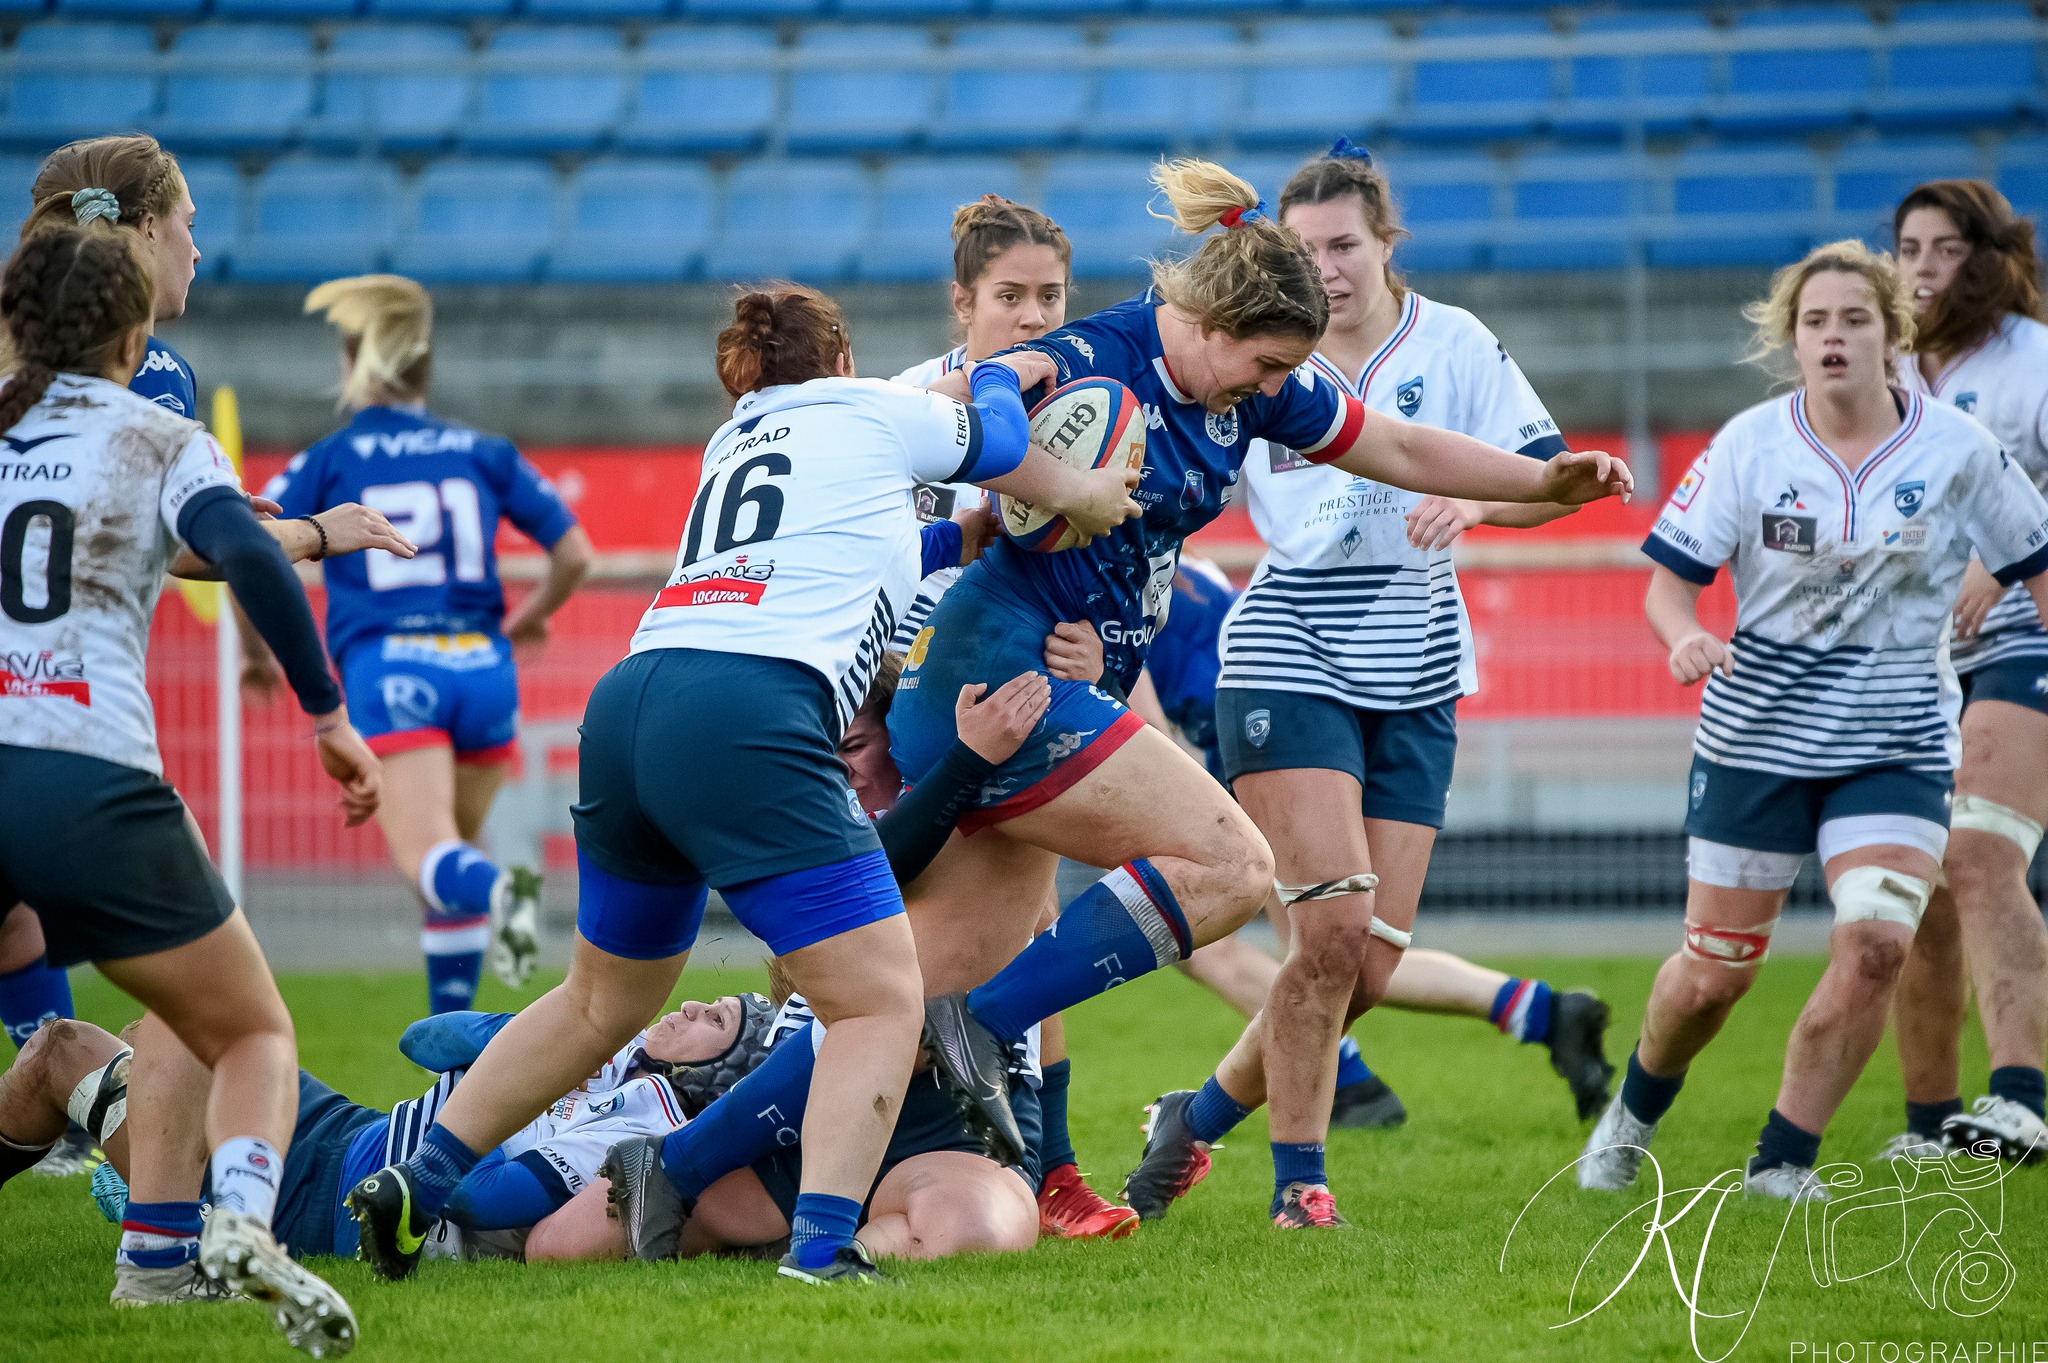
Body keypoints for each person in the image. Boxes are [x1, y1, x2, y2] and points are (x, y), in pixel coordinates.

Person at [344, 283, 1139, 1288]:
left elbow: (850, 557)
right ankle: (819, 1251)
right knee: (881, 1000)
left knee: (602, 1000)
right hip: (748, 712)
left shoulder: (736, 442)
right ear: (843, 361)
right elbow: (989, 432)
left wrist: (960, 539)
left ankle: (419, 1177)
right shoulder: (871, 409)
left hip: (632, 702)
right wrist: (1025, 409)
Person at [887, 156, 1629, 1204]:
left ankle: (703, 1165)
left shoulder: (1251, 393)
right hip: (984, 672)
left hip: (1054, 667)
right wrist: (1064, 482)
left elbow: (1400, 445)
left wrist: (1543, 480)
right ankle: (975, 1044)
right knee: (1230, 867)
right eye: (1269, 363)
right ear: (1213, 322)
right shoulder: (1095, 357)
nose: (1278, 388)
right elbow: (974, 403)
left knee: (927, 967)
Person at [1121, 142, 1614, 1227]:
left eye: (1344, 244)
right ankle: (1301, 1185)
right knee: (1330, 935)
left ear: (1386, 244)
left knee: (1365, 969)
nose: (1327, 267)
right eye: (1305, 250)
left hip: (1420, 666)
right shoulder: (1261, 364)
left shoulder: (1456, 344)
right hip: (1288, 652)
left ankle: (1190, 1122)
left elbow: (1547, 480)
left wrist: (1492, 505)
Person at [1576, 239, 2048, 1201]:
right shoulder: (1751, 444)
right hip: (1755, 743)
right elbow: (1670, 588)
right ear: (1792, 341)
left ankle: (1780, 1161)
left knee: (1877, 944)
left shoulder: (1960, 450)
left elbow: (2036, 562)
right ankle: (1629, 1112)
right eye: (1815, 322)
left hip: (1898, 744)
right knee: (1713, 976)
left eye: (1855, 319)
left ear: (1892, 335)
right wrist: (1683, 638)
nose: (1834, 337)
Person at [0, 219, 390, 1353]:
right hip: (86, 771)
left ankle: (159, 1258)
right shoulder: (157, 434)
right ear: (132, 334)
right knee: (248, 1027)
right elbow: (252, 554)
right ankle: (233, 1224)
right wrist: (327, 716)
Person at [249, 275, 593, 1015]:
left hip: (393, 666)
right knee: (451, 864)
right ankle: (455, 1064)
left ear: (354, 365)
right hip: (483, 666)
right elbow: (575, 554)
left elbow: (248, 547)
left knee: (426, 858)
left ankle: (512, 892)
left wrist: (252, 653)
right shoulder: (484, 449)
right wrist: (532, 617)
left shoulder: (334, 457)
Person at [0, 134, 208, 1170]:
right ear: (138, 234)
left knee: (19, 928)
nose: (198, 253)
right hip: (57, 710)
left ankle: (54, 1088)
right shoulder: (152, 371)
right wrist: (303, 534)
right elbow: (200, 540)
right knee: (220, 1000)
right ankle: (169, 1220)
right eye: (187, 227)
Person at [0, 998, 768, 1262]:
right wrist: (540, 1044)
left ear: (720, 1076)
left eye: (714, 1022)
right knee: (160, 1033)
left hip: (320, 1196)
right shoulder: (609, 1054)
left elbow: (480, 1199)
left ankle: (170, 1214)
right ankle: (162, 1190)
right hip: (345, 1127)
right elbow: (422, 1038)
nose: (691, 1007)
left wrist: (502, 1112)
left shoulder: (640, 1126)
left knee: (63, 1050)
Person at [1887, 180, 2048, 1165]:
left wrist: (2009, 547)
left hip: (2024, 632)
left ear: (1984, 260)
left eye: (1940, 250)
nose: (1918, 269)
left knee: (1980, 852)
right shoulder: (1885, 367)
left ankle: (2019, 1100)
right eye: (1905, 249)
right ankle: (1932, 1126)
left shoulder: (2030, 361)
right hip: (1914, 657)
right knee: (1919, 883)